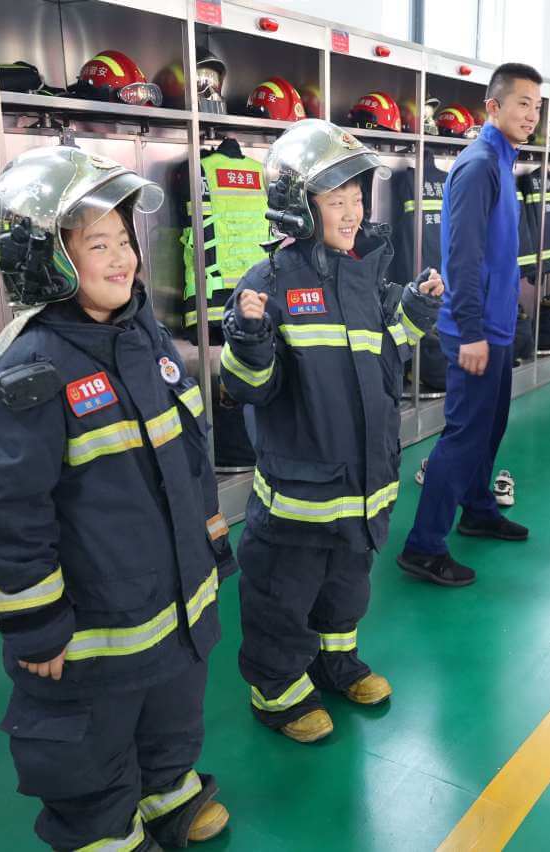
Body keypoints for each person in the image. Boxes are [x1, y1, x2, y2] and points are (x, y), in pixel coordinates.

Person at [0, 146, 234, 850]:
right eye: (98, 245)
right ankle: (105, 834)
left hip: (173, 600)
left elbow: (188, 451)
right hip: (93, 630)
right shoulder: (30, 371)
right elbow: (1, 515)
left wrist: (211, 536)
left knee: (173, 712)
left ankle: (168, 791)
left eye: (125, 240)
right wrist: (36, 621)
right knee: (91, 749)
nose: (123, 258)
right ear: (44, 260)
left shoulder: (144, 336)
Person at [219, 119, 443, 743]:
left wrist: (415, 310)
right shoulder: (267, 284)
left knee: (347, 587)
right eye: (335, 200)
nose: (352, 212)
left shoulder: (363, 275)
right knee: (282, 595)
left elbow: (386, 351)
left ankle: (335, 661)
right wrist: (250, 339)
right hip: (299, 496)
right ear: (297, 206)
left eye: (357, 197)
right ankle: (277, 690)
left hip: (362, 487)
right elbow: (247, 387)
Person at [397, 62, 544, 587]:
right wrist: (472, 331)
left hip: (495, 325)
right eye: (522, 103)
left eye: (537, 106)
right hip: (475, 329)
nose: (532, 114)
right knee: (463, 436)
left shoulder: (503, 162)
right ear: (494, 107)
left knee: (490, 426)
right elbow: (461, 256)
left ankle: (478, 510)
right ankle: (423, 545)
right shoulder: (479, 165)